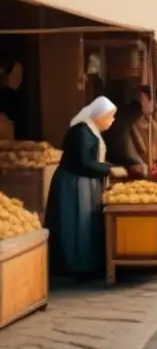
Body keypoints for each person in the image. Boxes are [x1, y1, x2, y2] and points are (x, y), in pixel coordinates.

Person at [46, 97, 127, 277]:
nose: (111, 121)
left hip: (87, 182)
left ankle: (87, 263)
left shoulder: (91, 131)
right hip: (75, 184)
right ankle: (75, 266)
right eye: (109, 117)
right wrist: (110, 170)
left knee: (86, 223)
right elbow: (83, 162)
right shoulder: (81, 132)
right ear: (99, 115)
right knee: (75, 223)